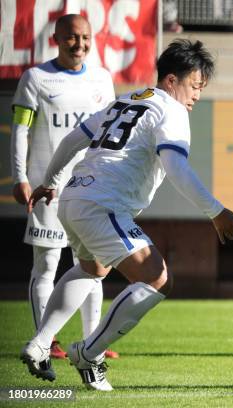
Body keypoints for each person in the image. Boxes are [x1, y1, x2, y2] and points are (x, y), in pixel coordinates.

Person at [20, 39, 233, 391]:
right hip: (103, 205)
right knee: (157, 279)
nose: (197, 95)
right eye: (195, 85)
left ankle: (39, 343)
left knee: (92, 268)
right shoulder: (172, 110)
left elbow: (70, 142)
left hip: (73, 198)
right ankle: (89, 353)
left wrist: (49, 182)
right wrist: (216, 211)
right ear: (172, 80)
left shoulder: (127, 99)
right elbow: (176, 168)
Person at [11, 14, 119, 360]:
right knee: (46, 266)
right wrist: (20, 177)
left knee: (93, 267)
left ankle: (93, 341)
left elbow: (109, 136)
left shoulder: (102, 79)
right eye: (73, 38)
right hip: (47, 188)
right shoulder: (36, 78)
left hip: (90, 188)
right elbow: (20, 131)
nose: (80, 45)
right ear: (57, 38)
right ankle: (47, 340)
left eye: (86, 38)